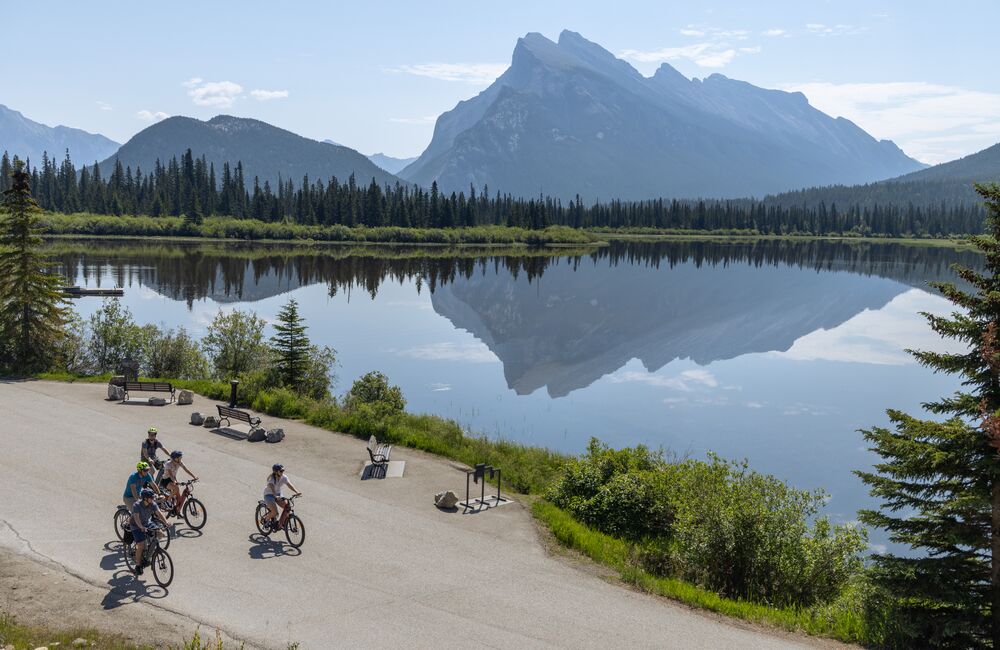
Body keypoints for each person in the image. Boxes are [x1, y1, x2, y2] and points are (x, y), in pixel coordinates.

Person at [131, 487, 169, 575]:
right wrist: (141, 527)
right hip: (136, 526)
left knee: (160, 534)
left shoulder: (152, 504)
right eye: (151, 498)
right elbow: (136, 518)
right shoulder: (137, 505)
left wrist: (166, 522)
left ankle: (149, 553)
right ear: (145, 498)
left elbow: (159, 513)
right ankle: (138, 565)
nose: (153, 499)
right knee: (140, 545)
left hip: (147, 523)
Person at [262, 464, 301, 531]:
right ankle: (266, 520)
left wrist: (296, 492)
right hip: (269, 495)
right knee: (275, 512)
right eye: (281, 471)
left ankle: (282, 523)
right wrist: (275, 496)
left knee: (287, 508)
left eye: (283, 470)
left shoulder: (284, 477)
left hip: (278, 495)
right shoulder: (271, 479)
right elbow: (272, 488)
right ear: (276, 472)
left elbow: (289, 485)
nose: (282, 472)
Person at [159, 450, 198, 516]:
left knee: (179, 498)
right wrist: (175, 481)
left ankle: (177, 512)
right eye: (179, 457)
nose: (181, 458)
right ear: (175, 458)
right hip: (166, 480)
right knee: (176, 488)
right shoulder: (168, 464)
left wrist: (194, 477)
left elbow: (186, 470)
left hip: (173, 479)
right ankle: (168, 501)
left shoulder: (179, 463)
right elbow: (170, 474)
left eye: (181, 457)